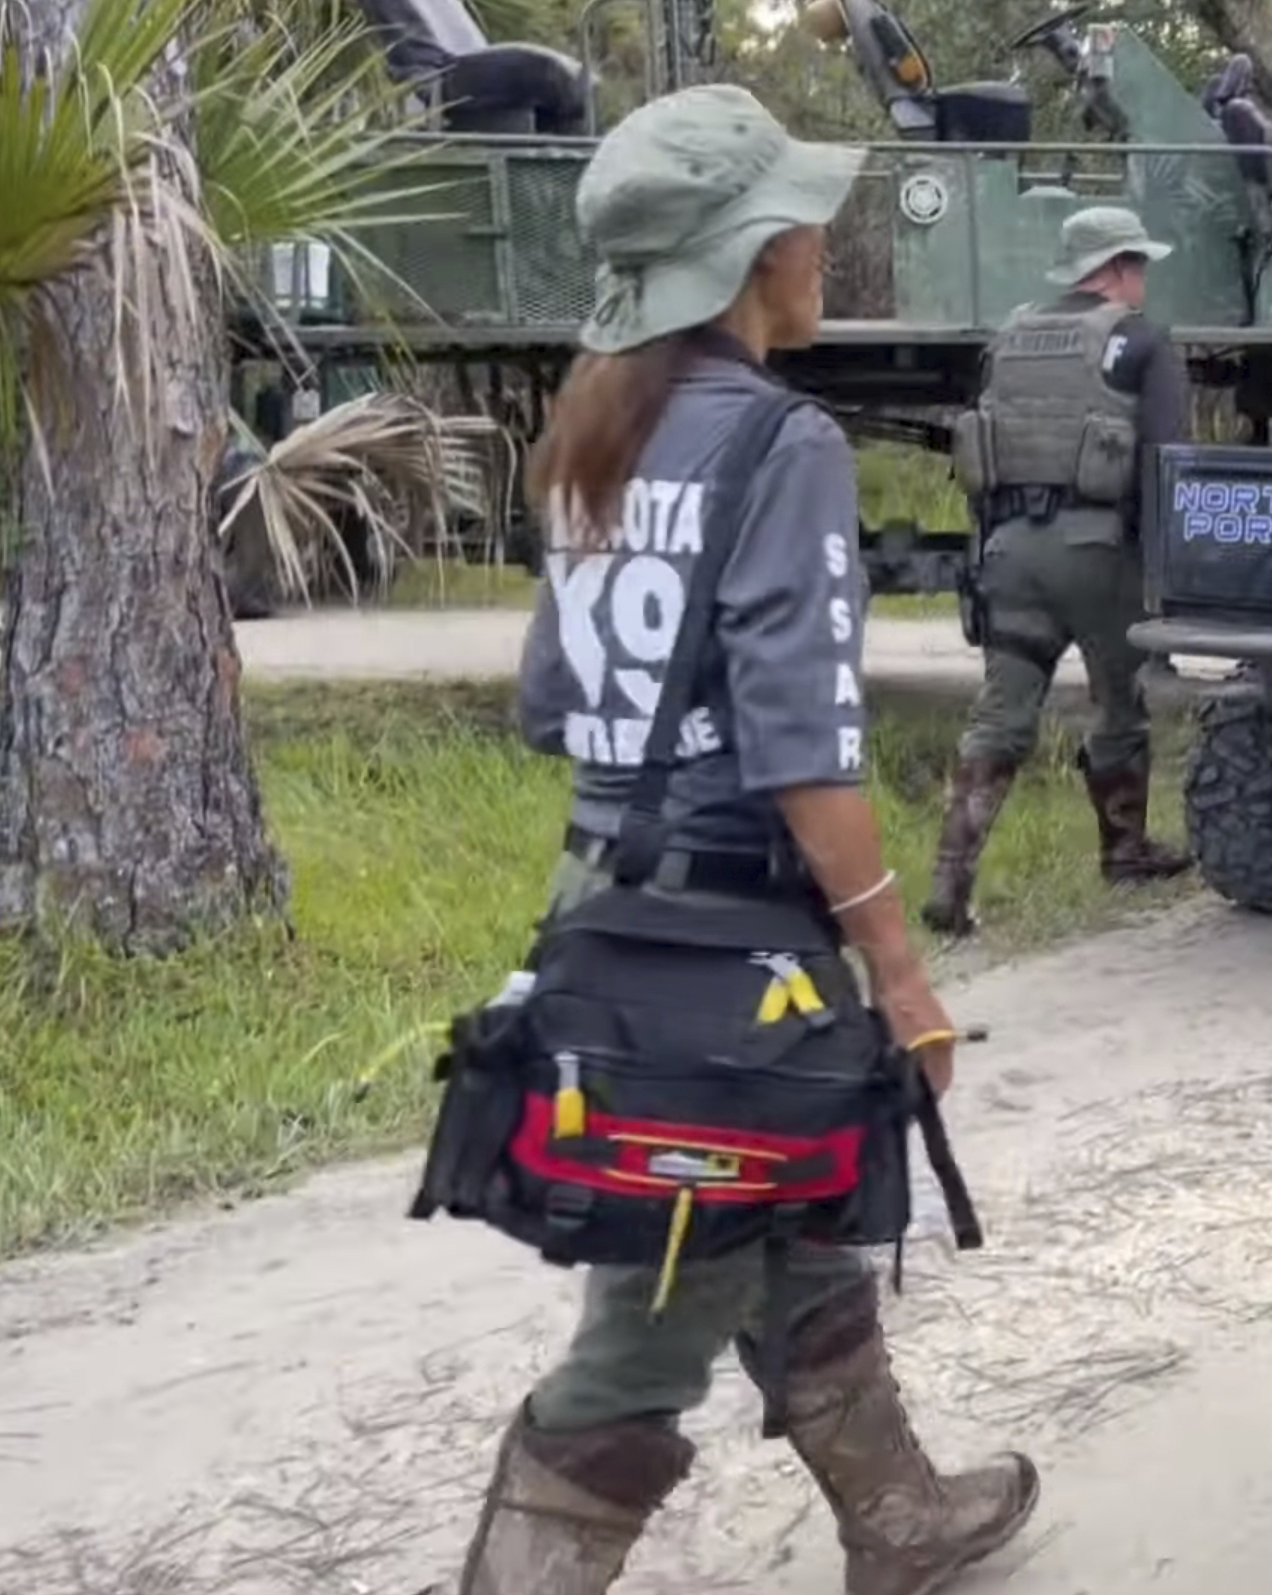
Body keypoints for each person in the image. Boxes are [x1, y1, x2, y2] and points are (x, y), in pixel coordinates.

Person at [466, 83, 1038, 1593]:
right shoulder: (779, 444)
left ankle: (901, 1524)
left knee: (787, 1209)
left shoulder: (598, 423)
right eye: (804, 222)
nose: (823, 242)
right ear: (752, 255)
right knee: (648, 1325)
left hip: (609, 908)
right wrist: (904, 974)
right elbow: (804, 744)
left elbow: (549, 704)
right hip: (732, 942)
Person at [925, 207, 1196, 936]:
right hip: (1098, 552)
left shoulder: (1007, 340)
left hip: (1010, 549)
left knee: (1001, 713)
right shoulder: (1141, 342)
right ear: (1112, 269)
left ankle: (950, 880)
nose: (1143, 279)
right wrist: (1166, 568)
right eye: (1137, 265)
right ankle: (1125, 850)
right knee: (1118, 703)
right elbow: (1168, 461)